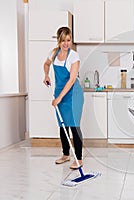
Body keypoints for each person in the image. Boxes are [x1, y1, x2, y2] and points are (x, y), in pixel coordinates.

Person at [43, 26, 84, 170]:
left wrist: (59, 98)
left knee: (73, 125)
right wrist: (46, 75)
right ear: (59, 41)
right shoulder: (54, 53)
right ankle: (65, 154)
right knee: (62, 125)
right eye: (63, 41)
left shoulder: (74, 56)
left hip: (73, 94)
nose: (66, 43)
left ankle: (78, 159)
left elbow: (72, 80)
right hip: (59, 92)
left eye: (69, 40)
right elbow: (46, 64)